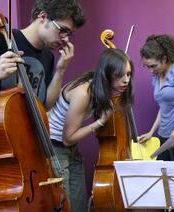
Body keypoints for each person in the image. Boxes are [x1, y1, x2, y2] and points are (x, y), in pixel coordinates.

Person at [0, 0, 85, 211]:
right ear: (43, 17)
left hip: (26, 152)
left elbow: (44, 105)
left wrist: (61, 70)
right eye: (63, 30)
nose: (65, 39)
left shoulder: (46, 56)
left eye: (69, 34)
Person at [47, 48, 133, 211]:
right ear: (107, 74)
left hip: (71, 149)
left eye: (128, 74)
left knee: (79, 206)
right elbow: (68, 137)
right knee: (65, 207)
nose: (126, 80)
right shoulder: (83, 93)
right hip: (55, 149)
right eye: (120, 75)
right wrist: (100, 122)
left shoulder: (103, 87)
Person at [138, 34, 174, 161]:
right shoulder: (156, 77)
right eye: (147, 67)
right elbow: (163, 107)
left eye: (153, 66)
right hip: (163, 135)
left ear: (164, 59)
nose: (151, 71)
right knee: (162, 177)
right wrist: (152, 132)